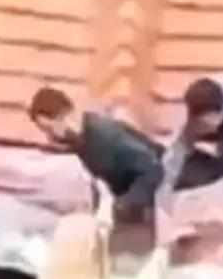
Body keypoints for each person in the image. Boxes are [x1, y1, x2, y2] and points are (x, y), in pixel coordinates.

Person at [28, 85, 164, 248]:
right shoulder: (81, 141)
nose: (49, 136)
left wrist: (119, 207)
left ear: (64, 116)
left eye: (49, 129)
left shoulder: (105, 136)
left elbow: (153, 169)